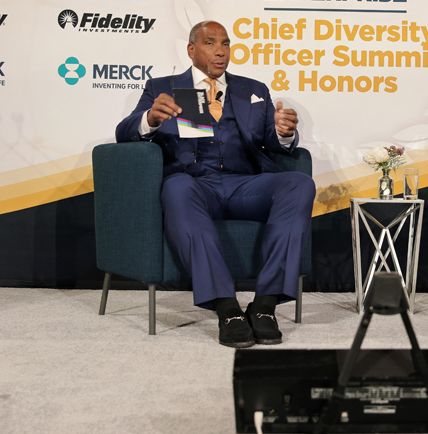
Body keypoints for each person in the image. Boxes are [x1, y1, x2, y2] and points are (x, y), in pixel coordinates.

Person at [116, 20, 315, 348]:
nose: (220, 51)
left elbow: (272, 141)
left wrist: (284, 132)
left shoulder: (253, 89)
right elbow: (124, 132)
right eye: (210, 43)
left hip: (245, 186)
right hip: (195, 185)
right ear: (191, 49)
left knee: (299, 183)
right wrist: (150, 119)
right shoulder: (163, 87)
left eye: (225, 43)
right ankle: (227, 308)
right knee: (176, 187)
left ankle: (265, 305)